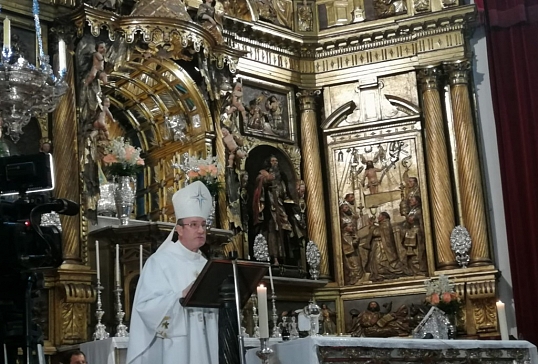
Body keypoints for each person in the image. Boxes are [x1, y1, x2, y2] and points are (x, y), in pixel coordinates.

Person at [127, 181, 218, 364]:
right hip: (178, 347)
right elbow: (146, 307)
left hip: (209, 341)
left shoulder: (208, 265)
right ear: (179, 229)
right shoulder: (159, 262)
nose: (201, 230)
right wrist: (181, 296)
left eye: (203, 224)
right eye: (193, 224)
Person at [252, 155, 302, 265]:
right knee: (272, 231)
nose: (275, 163)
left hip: (280, 207)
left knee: (284, 230)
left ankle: (284, 257)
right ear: (269, 162)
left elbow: (284, 192)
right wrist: (266, 179)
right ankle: (273, 257)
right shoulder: (264, 173)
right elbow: (259, 183)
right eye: (273, 161)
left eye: (276, 161)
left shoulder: (280, 178)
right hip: (269, 208)